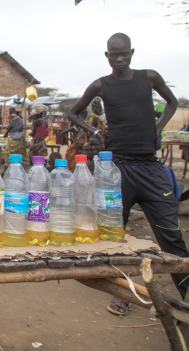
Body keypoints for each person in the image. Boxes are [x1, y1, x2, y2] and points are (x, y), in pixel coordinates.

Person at [68, 32, 189, 315]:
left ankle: (186, 292)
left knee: (171, 234)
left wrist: (157, 129)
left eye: (124, 54)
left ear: (132, 53)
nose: (119, 59)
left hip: (150, 167)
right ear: (107, 56)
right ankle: (126, 294)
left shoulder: (149, 78)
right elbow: (75, 113)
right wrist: (95, 131)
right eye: (114, 55)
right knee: (115, 236)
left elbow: (171, 102)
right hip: (117, 170)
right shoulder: (101, 85)